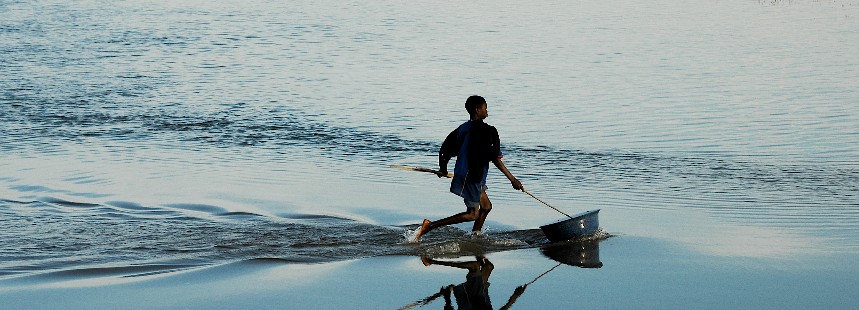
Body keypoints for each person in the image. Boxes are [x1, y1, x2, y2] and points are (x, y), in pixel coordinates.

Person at [414, 95, 523, 241]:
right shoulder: (488, 131)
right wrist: (513, 179)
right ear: (478, 109)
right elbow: (495, 158)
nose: (487, 111)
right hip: (471, 177)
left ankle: (475, 236)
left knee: (486, 207)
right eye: (485, 107)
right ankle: (430, 225)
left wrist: (443, 168)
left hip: (473, 175)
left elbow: (445, 149)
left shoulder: (462, 129)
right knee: (473, 214)